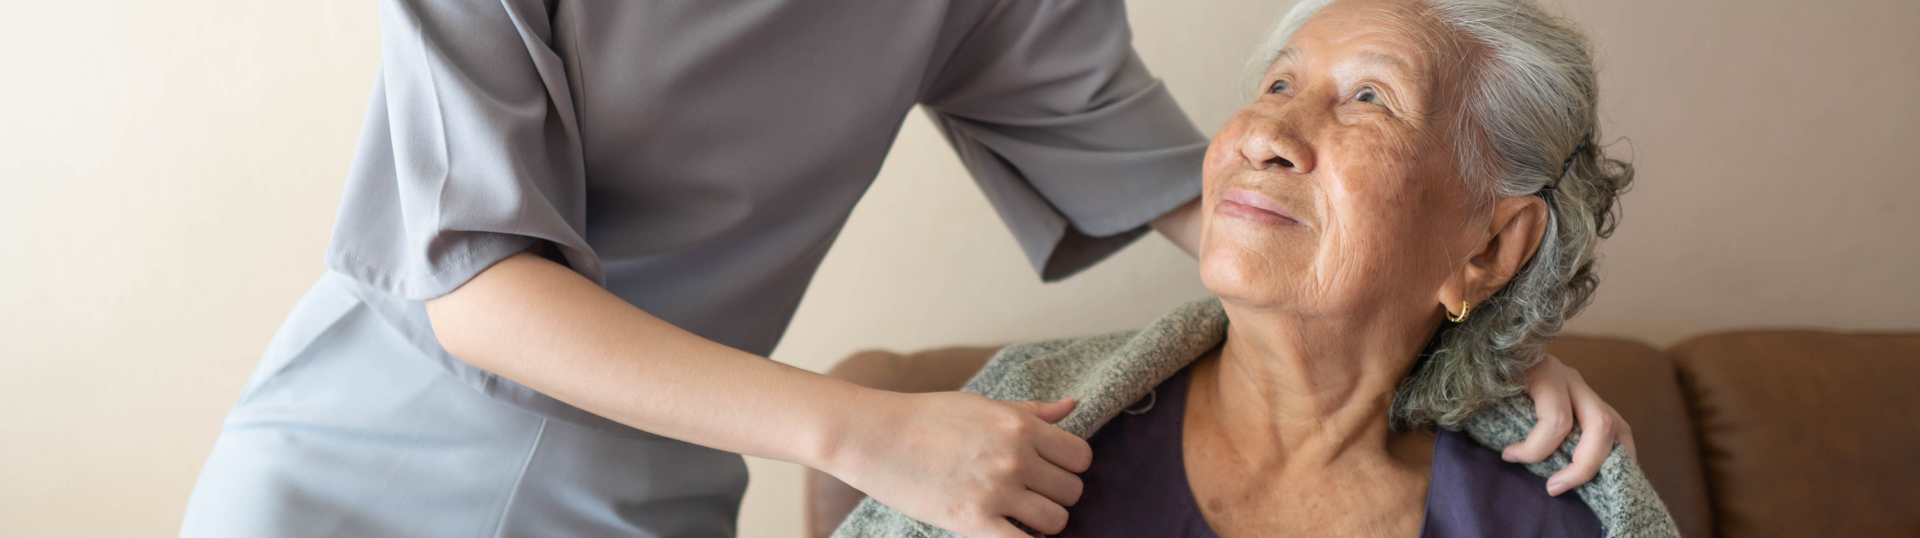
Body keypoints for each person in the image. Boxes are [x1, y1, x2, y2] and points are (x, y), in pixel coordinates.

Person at [180, 1, 1636, 537]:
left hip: (648, 494)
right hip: (351, 473)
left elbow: (1211, 186)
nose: (1293, 113)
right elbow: (467, 278)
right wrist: (863, 430)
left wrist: (1485, 323)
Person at [834, 0, 1675, 536]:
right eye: (1277, 84)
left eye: (1370, 98)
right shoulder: (1024, 424)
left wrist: (1500, 352)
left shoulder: (1556, 512)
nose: (1267, 134)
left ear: (1490, 247)